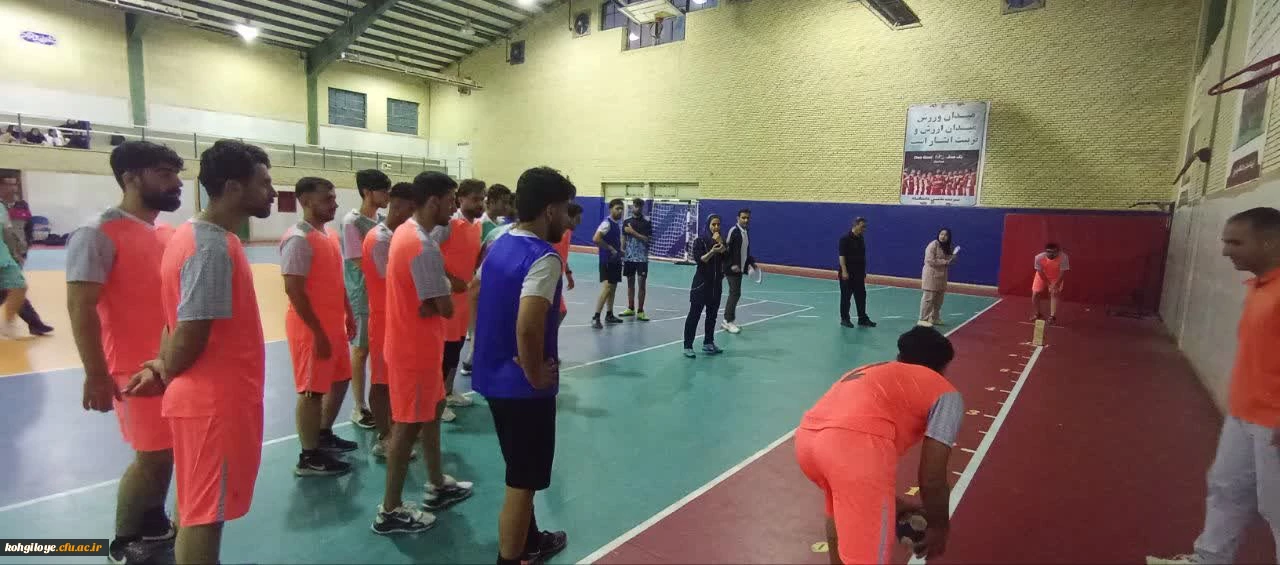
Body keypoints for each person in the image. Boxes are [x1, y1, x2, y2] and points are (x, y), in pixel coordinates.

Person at [150, 139, 276, 564]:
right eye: (264, 183)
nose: (272, 192)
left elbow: (172, 323)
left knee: (196, 507)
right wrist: (168, 368)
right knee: (205, 515)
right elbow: (189, 333)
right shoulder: (210, 248)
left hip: (209, 402)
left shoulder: (194, 236)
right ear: (233, 187)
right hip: (214, 406)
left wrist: (162, 366)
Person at [66, 141, 185, 563]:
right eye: (165, 174)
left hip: (172, 364)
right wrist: (96, 373)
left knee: (168, 452)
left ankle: (152, 522)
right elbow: (80, 307)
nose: (177, 183)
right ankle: (123, 541)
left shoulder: (167, 233)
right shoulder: (96, 233)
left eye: (176, 174)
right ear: (131, 177)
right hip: (132, 369)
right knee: (152, 456)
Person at [1147, 207, 1280, 565]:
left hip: (1274, 422)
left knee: (1277, 508)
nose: (1224, 251)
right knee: (1226, 490)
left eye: (1235, 242)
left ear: (1269, 242)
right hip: (1243, 413)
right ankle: (1210, 559)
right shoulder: (1260, 286)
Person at [471, 166, 574, 565]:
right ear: (549, 210)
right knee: (522, 482)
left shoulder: (500, 241)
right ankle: (510, 559)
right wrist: (533, 373)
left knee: (518, 465)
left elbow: (475, 290)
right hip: (522, 388)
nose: (567, 219)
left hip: (494, 378)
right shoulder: (543, 257)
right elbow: (529, 326)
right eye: (565, 210)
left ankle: (531, 540)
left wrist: (484, 343)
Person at [795, 326, 962, 564]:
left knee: (839, 512)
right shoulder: (945, 393)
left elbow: (846, 465)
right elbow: (932, 478)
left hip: (807, 442)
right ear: (942, 368)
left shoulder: (870, 370)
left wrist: (896, 505)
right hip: (852, 450)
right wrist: (939, 527)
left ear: (900, 357)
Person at [373, 171, 473, 536]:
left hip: (419, 346)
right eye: (450, 201)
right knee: (407, 426)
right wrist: (443, 292)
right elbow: (445, 307)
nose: (453, 208)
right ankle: (390, 510)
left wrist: (434, 298)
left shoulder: (406, 233)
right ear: (434, 202)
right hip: (412, 351)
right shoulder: (422, 245)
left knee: (431, 412)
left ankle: (436, 483)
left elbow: (431, 302)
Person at [281, 177, 358, 476]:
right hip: (309, 329)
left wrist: (348, 313)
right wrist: (317, 332)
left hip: (333, 324)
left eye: (334, 198)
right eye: (327, 199)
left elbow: (337, 279)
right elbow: (294, 290)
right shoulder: (298, 239)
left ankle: (323, 433)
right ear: (305, 201)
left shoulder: (330, 235)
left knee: (341, 378)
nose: (334, 204)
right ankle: (308, 456)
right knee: (312, 390)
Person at [360, 182, 418, 459]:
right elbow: (396, 281)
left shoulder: (396, 235)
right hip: (384, 319)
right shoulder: (380, 239)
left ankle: (396, 429)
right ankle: (384, 437)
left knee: (396, 379)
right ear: (399, 205)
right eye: (412, 208)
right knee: (382, 381)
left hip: (398, 318)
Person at [339, 169, 392, 431]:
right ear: (367, 192)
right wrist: (393, 274)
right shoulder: (352, 221)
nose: (388, 195)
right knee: (361, 350)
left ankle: (381, 401)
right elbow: (358, 260)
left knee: (381, 348)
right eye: (383, 190)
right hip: (361, 292)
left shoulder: (383, 221)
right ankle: (359, 407)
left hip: (382, 294)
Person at [437, 178, 486, 423]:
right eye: (475, 199)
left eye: (482, 199)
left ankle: (448, 391)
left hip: (464, 299)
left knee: (455, 348)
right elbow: (427, 253)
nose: (480, 204)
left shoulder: (476, 226)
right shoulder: (447, 225)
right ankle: (436, 400)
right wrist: (450, 278)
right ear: (460, 199)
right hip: (446, 298)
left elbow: (471, 258)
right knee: (443, 352)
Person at [683, 214, 728, 358]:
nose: (716, 227)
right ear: (708, 225)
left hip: (716, 285)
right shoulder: (700, 241)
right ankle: (688, 345)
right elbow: (701, 260)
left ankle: (708, 343)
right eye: (713, 224)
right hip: (701, 285)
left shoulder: (722, 241)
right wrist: (712, 251)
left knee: (712, 316)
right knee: (694, 315)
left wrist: (722, 247)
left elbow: (727, 259)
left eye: (718, 224)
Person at [591, 198, 625, 329]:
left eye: (621, 209)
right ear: (611, 209)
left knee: (613, 288)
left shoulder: (616, 224)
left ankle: (609, 314)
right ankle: (596, 317)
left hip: (615, 260)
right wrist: (610, 248)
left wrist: (620, 251)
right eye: (617, 208)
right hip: (607, 260)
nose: (620, 211)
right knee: (607, 288)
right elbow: (596, 239)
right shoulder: (606, 223)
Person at [838, 218, 876, 329]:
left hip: (859, 274)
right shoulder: (844, 239)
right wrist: (844, 271)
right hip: (847, 274)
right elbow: (842, 257)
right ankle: (845, 319)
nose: (864, 229)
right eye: (862, 226)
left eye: (865, 227)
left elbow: (862, 257)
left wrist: (863, 272)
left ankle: (862, 319)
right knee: (846, 298)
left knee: (861, 297)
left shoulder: (861, 238)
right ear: (855, 225)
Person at [723, 208, 756, 334]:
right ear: (738, 218)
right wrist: (732, 265)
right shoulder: (734, 231)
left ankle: (727, 320)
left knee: (735, 293)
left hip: (739, 269)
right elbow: (726, 250)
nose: (746, 220)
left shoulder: (745, 232)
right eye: (743, 217)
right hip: (731, 269)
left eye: (747, 218)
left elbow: (745, 252)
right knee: (735, 293)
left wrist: (750, 264)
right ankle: (728, 321)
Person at [919, 228, 959, 327]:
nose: (943, 236)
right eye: (941, 234)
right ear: (938, 235)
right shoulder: (933, 245)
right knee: (928, 298)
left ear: (948, 237)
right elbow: (930, 260)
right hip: (931, 275)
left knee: (939, 300)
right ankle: (923, 319)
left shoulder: (947, 247)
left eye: (946, 235)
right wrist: (945, 262)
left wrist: (953, 258)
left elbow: (948, 261)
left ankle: (934, 318)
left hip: (942, 276)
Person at [620, 198, 651, 321]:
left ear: (642, 207)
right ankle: (631, 308)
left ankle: (640, 311)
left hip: (642, 258)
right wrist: (622, 251)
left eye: (639, 206)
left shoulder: (646, 222)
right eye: (635, 205)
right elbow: (623, 238)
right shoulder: (626, 222)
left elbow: (646, 239)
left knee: (641, 284)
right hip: (629, 258)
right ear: (632, 207)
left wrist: (632, 232)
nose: (636, 208)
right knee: (630, 284)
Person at [553, 203, 583, 326]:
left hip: (557, 277)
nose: (580, 222)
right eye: (577, 218)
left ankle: (548, 334)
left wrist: (568, 273)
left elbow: (562, 255)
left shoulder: (568, 232)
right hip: (550, 277)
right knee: (560, 311)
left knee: (560, 312)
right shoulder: (554, 234)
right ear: (568, 217)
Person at [1032, 243, 1069, 323]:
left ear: (1058, 252)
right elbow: (1040, 272)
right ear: (1045, 251)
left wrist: (1055, 284)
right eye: (1048, 252)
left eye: (1054, 252)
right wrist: (1049, 284)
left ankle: (1052, 316)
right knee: (1035, 294)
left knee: (1054, 293)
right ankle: (1038, 313)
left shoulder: (1064, 257)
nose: (1051, 254)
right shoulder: (1038, 257)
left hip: (1056, 277)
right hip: (1042, 275)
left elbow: (1062, 273)